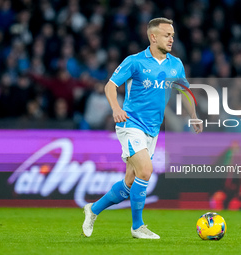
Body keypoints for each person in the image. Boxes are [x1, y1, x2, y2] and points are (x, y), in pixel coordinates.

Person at [82, 17, 203, 239]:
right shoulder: (135, 61)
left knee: (130, 182)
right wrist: (116, 108)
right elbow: (110, 85)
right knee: (146, 171)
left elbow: (184, 91)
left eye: (173, 36)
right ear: (153, 36)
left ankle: (93, 209)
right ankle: (137, 227)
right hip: (130, 124)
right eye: (167, 35)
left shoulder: (175, 64)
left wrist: (194, 116)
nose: (171, 39)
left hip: (152, 129)